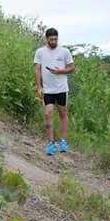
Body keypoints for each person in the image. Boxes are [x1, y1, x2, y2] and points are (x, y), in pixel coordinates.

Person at [33, 28, 76, 156]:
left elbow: (72, 68)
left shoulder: (64, 51)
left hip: (62, 88)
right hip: (48, 89)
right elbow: (37, 69)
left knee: (63, 113)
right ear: (46, 39)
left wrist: (61, 71)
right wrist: (39, 87)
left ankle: (63, 141)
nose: (53, 41)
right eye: (51, 39)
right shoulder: (40, 52)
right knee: (48, 113)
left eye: (55, 39)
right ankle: (51, 143)